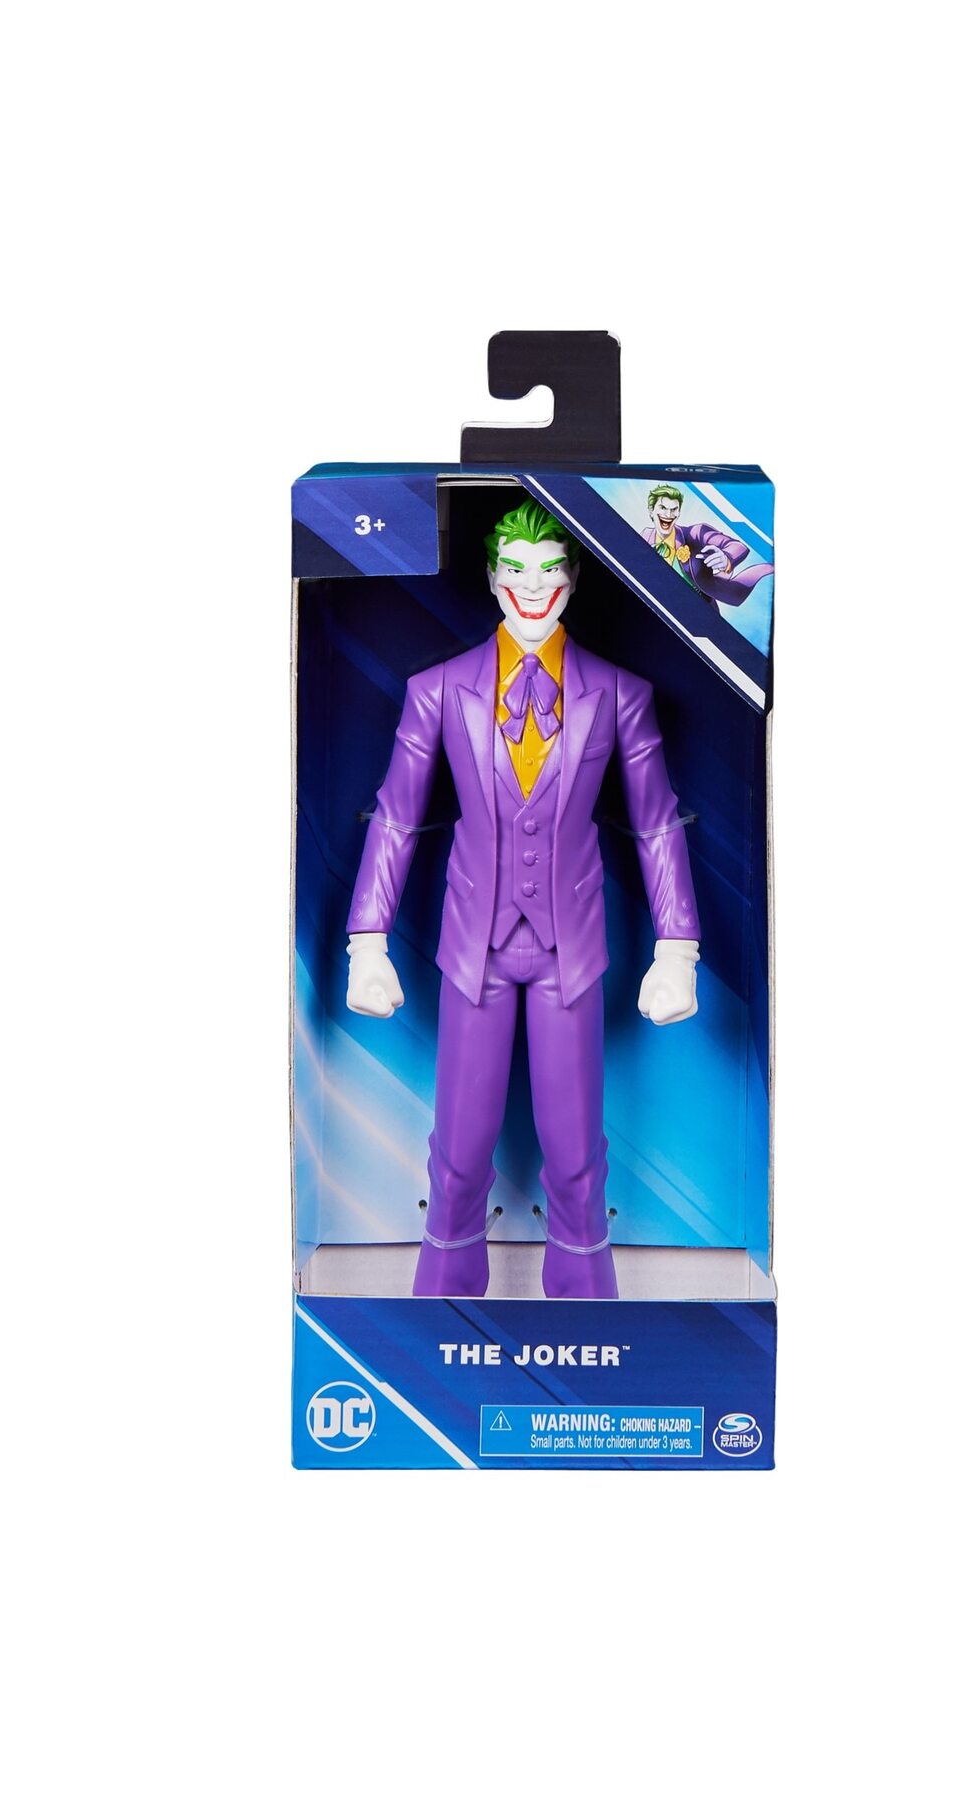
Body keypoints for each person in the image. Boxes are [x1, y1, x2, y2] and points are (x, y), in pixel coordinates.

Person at [346, 500, 701, 1300]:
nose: (532, 588)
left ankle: (587, 1313)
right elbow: (396, 815)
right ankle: (443, 1309)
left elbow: (657, 824)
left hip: (569, 950)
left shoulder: (619, 694)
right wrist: (366, 941)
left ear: (572, 580)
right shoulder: (438, 691)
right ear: (491, 577)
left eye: (549, 571)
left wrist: (677, 948)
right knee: (458, 1152)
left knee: (575, 1154)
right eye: (515, 570)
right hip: (472, 946)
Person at [642, 483, 772, 607]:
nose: (668, 514)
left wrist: (726, 558)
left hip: (698, 607)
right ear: (651, 511)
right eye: (663, 508)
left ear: (679, 513)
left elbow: (737, 546)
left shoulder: (696, 532)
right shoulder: (645, 536)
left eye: (674, 509)